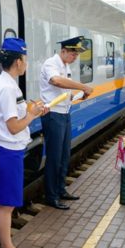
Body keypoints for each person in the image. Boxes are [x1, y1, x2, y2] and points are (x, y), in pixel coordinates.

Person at [0, 38, 45, 248]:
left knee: (8, 204)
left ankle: (9, 245)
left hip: (11, 151)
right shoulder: (6, 88)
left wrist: (34, 110)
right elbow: (13, 127)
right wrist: (31, 116)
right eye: (25, 59)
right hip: (7, 151)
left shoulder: (10, 84)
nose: (27, 63)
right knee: (6, 205)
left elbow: (17, 115)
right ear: (18, 61)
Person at [40, 36, 94, 210]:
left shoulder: (65, 66)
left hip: (64, 113)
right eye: (73, 53)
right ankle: (51, 196)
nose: (75, 57)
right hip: (53, 115)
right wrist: (83, 87)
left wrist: (77, 95)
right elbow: (56, 81)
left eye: (76, 54)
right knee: (54, 157)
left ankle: (61, 189)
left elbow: (64, 92)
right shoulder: (51, 64)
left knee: (64, 155)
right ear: (63, 51)